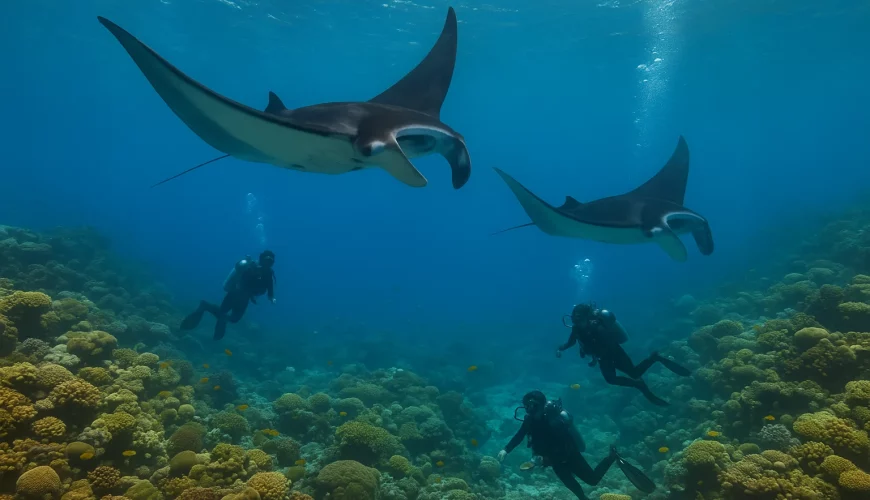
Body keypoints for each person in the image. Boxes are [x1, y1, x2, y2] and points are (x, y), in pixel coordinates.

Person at [497, 391, 654, 499]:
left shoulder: (554, 422)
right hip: (554, 461)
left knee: (592, 481)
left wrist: (543, 461)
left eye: (532, 406)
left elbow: (563, 446)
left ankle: (612, 456)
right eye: (527, 406)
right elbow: (519, 436)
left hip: (569, 456)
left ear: (541, 405)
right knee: (578, 493)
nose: (529, 410)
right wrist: (506, 450)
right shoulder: (529, 420)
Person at [556, 303, 690, 406]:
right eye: (575, 321)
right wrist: (561, 348)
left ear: (586, 318)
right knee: (614, 379)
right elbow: (572, 342)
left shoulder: (597, 327)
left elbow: (604, 344)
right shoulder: (577, 329)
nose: (576, 323)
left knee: (634, 373)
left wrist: (596, 358)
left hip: (614, 353)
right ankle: (639, 382)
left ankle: (653, 360)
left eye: (579, 320)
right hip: (604, 357)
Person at [180, 250, 277, 340]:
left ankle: (209, 310)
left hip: (245, 298)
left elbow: (270, 289)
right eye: (266, 261)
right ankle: (207, 309)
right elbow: (242, 279)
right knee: (223, 313)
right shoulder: (251, 267)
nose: (267, 264)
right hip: (234, 294)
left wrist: (272, 298)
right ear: (261, 259)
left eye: (270, 262)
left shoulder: (269, 274)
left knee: (233, 319)